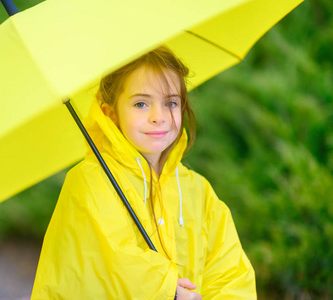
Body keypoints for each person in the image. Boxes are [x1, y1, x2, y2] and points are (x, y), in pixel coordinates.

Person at [30, 46, 256, 299]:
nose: (158, 116)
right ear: (111, 114)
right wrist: (168, 289)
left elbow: (230, 272)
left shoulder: (197, 190)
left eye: (170, 102)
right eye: (140, 103)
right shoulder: (91, 181)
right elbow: (105, 263)